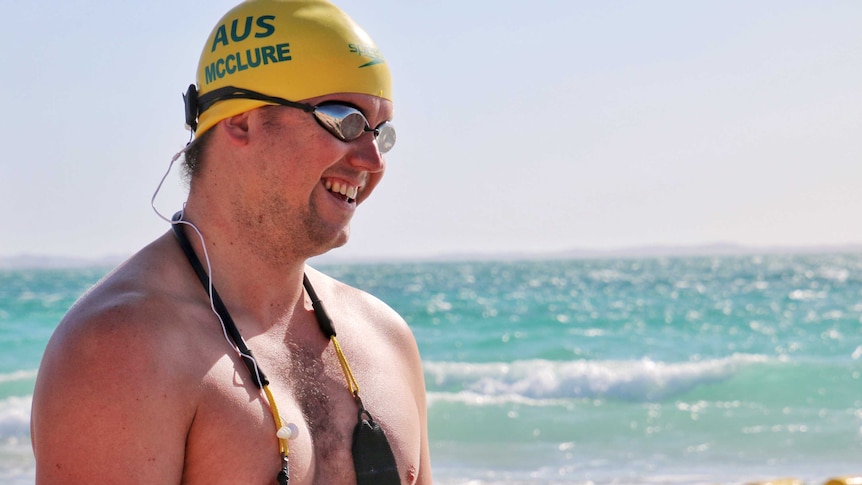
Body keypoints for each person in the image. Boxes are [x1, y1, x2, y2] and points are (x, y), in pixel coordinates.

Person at [30, 0, 432, 483]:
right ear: (241, 120)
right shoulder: (123, 350)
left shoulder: (385, 338)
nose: (372, 158)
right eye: (345, 120)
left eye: (381, 132)